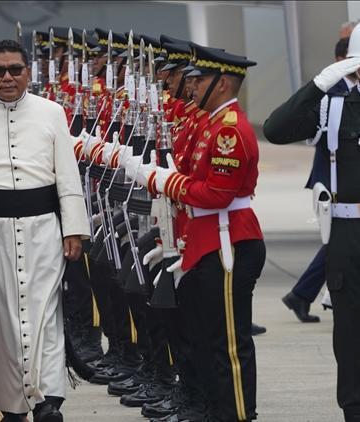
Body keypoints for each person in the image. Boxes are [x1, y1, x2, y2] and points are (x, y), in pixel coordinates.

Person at [0, 39, 89, 421]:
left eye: (15, 69)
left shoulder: (52, 112)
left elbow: (67, 176)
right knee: (3, 320)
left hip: (44, 228)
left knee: (44, 313)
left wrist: (73, 227)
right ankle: (12, 404)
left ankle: (48, 400)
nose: (7, 77)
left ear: (28, 72)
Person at [131, 46, 264, 421]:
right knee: (207, 338)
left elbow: (217, 194)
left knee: (227, 343)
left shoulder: (229, 130)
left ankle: (237, 414)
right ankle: (213, 408)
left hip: (228, 240)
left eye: (200, 79)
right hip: (208, 237)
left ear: (222, 83)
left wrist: (166, 181)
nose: (191, 85)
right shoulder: (211, 122)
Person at [263, 25, 360, 422]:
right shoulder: (331, 104)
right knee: (350, 328)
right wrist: (320, 83)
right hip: (346, 231)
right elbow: (275, 128)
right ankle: (353, 409)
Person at [281, 37, 352, 324]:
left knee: (336, 243)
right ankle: (304, 294)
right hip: (330, 183)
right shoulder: (330, 91)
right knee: (336, 242)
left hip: (341, 183)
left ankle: (303, 295)